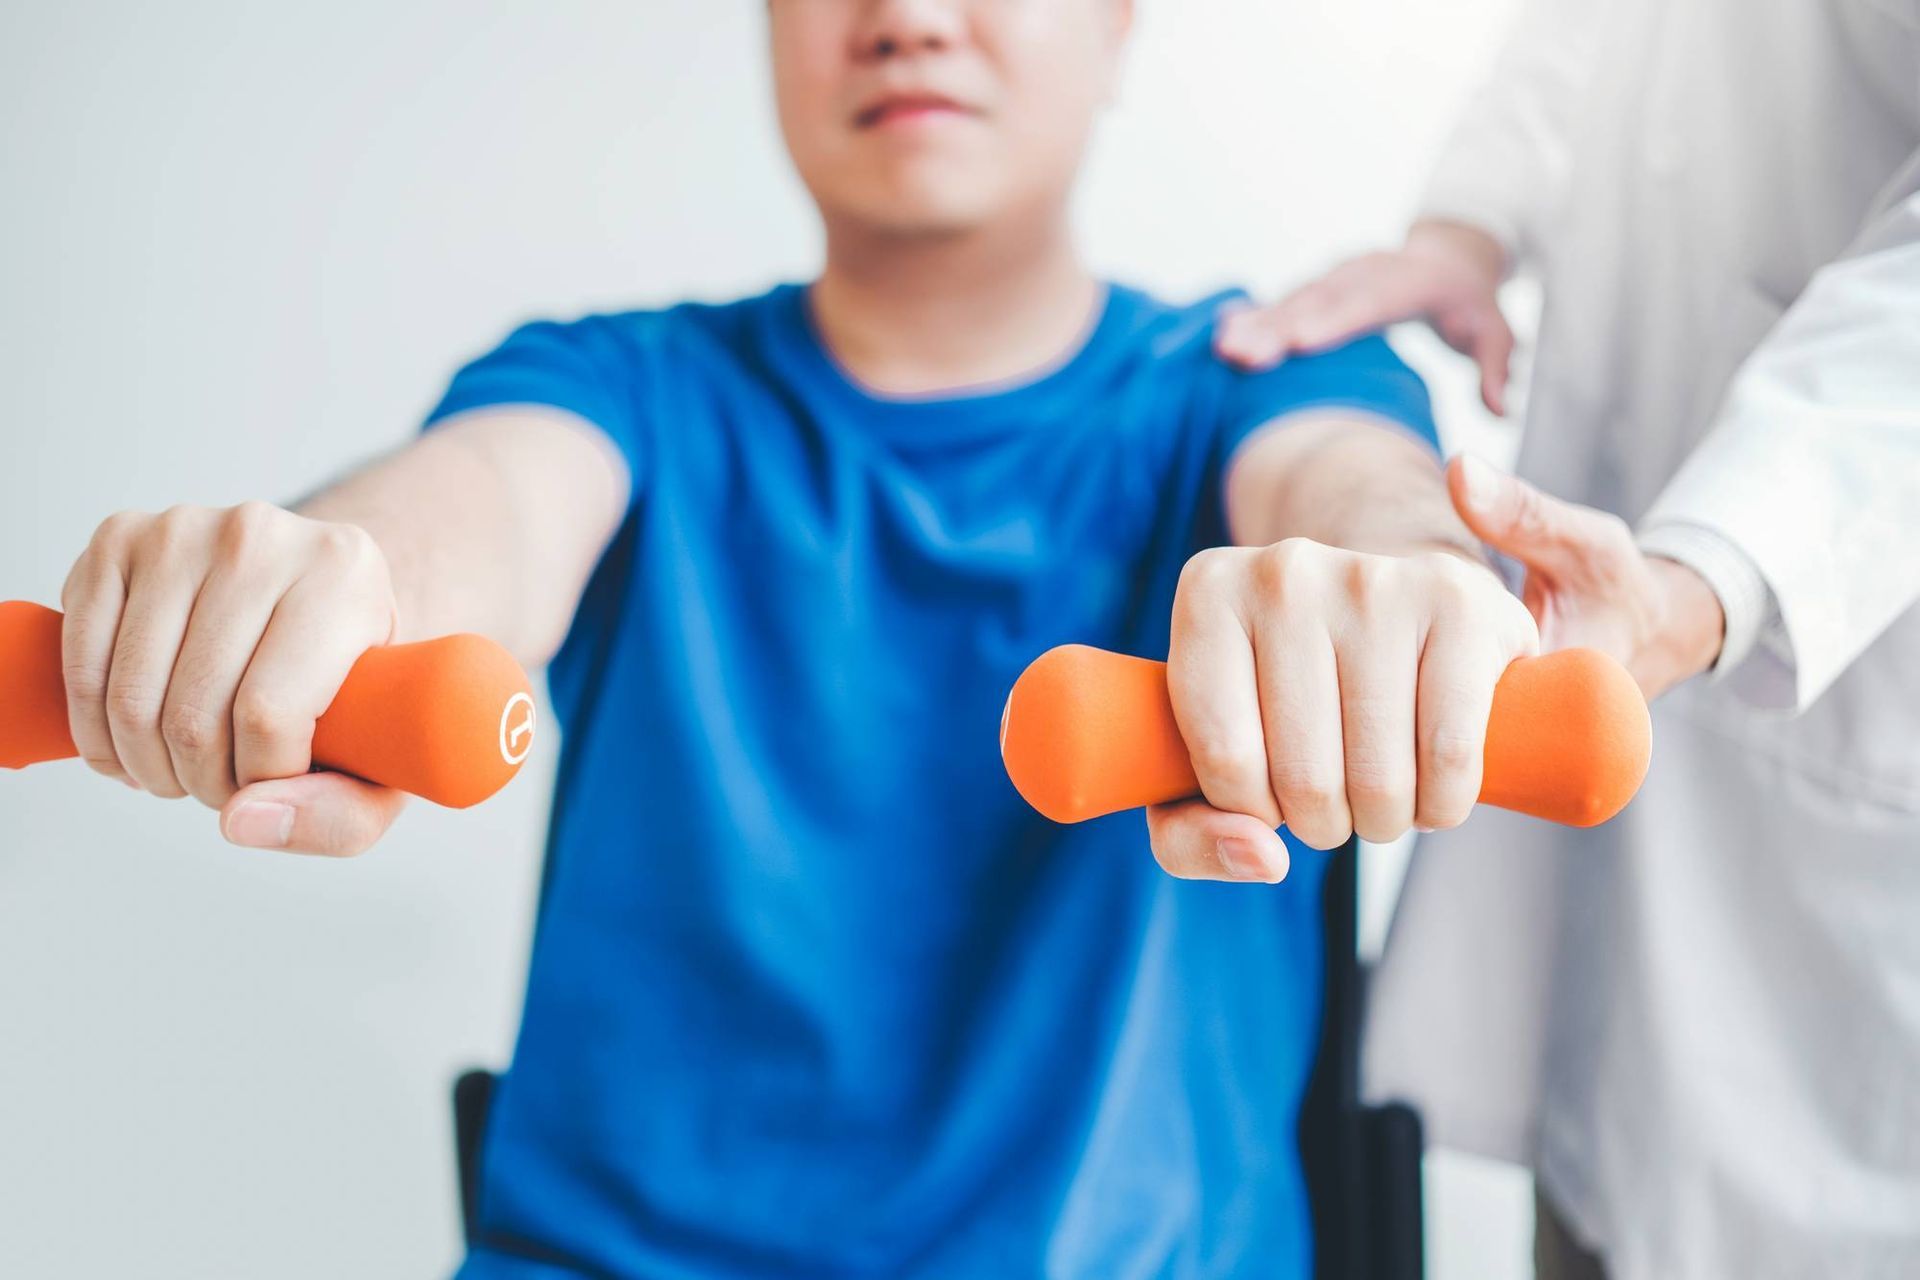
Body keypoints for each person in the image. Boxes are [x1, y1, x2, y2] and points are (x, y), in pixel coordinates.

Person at [52, 2, 1539, 1275]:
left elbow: (1357, 494)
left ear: (1115, 25)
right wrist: (327, 589)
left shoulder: (1267, 383)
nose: (906, 16)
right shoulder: (621, 385)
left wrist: (1405, 576)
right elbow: (480, 508)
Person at [1217, 0, 1920, 1276]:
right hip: (1630, 877)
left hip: (1844, 738)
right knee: (1605, 1183)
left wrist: (1709, 570)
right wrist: (1468, 220)